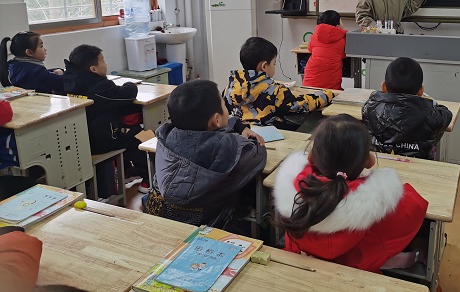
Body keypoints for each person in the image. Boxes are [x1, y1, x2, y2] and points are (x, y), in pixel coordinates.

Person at [273, 114, 428, 273]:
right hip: (356, 277)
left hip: (295, 272)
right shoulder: (381, 203)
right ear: (369, 160)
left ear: (311, 157)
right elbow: (415, 206)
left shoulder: (293, 191)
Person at [144, 79, 267, 231]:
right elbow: (258, 154)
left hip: (163, 222)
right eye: (224, 105)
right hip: (209, 230)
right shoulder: (227, 146)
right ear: (217, 119)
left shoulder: (166, 137)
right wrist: (239, 131)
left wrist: (236, 125)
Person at [63, 44, 150, 193]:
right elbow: (127, 94)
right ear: (93, 69)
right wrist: (130, 83)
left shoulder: (69, 81)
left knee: (125, 131)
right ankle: (149, 180)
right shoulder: (99, 87)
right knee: (136, 138)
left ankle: (127, 171)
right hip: (99, 140)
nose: (106, 64)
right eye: (103, 61)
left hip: (79, 139)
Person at [223, 37, 334, 130]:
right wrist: (327, 95)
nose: (274, 66)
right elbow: (300, 104)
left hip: (242, 133)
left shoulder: (230, 87)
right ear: (264, 66)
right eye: (274, 63)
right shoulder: (274, 91)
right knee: (315, 121)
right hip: (269, 136)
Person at [362, 57, 452, 160]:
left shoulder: (370, 108)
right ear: (421, 91)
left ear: (384, 87)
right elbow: (447, 114)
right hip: (417, 168)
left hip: (380, 166)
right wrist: (428, 102)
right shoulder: (430, 114)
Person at [0, 32, 65, 94]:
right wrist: (61, 74)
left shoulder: (13, 65)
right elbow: (64, 83)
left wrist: (59, 70)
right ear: (29, 52)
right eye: (41, 46)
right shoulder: (36, 73)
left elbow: (44, 74)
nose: (45, 49)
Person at [302, 10, 348, 90]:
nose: (343, 24)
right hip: (330, 89)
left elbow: (310, 48)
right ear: (337, 26)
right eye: (341, 21)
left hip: (308, 85)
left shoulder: (315, 36)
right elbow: (346, 54)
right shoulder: (342, 40)